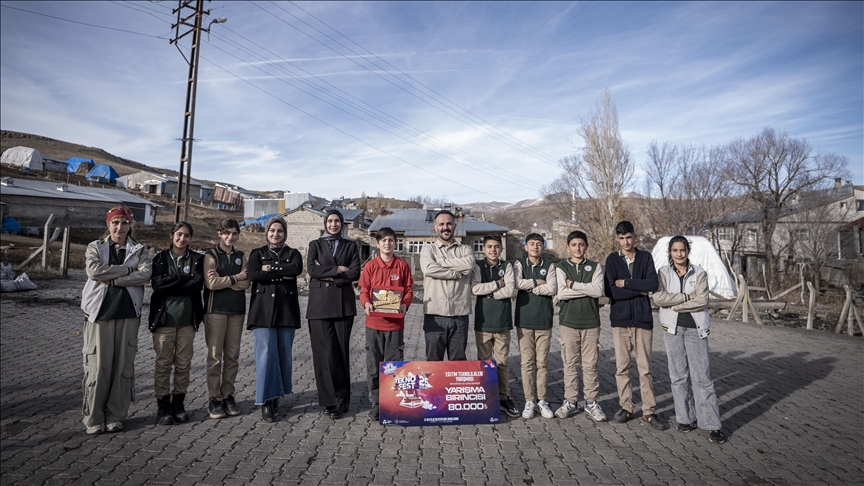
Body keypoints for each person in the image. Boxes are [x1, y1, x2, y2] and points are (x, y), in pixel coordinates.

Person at [80, 206, 152, 434]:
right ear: (108, 224)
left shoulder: (140, 250)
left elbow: (145, 274)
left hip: (128, 315)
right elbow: (93, 271)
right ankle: (94, 419)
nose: (120, 227)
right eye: (115, 222)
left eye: (124, 222)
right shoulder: (96, 247)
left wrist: (112, 280)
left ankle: (115, 415)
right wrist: (127, 272)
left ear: (131, 225)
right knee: (99, 367)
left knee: (122, 367)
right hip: (100, 315)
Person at [653, 236, 726, 444]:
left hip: (695, 329)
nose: (679, 254)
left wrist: (673, 304)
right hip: (673, 328)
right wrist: (685, 298)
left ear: (688, 251)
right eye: (675, 250)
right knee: (678, 376)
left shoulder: (700, 272)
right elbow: (658, 299)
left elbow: (702, 300)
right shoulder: (663, 273)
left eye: (682, 250)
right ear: (670, 251)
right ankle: (685, 418)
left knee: (702, 377)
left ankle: (712, 424)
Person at [603, 221, 667, 430]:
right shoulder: (612, 260)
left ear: (635, 237)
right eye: (621, 238)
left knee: (645, 368)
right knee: (622, 367)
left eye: (628, 237)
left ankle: (649, 411)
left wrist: (627, 283)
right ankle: (627, 407)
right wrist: (638, 289)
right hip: (620, 321)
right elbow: (611, 291)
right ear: (617, 239)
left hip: (642, 320)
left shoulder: (646, 257)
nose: (625, 241)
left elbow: (652, 284)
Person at [307, 209, 361, 419]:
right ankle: (328, 400)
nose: (333, 224)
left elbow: (355, 272)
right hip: (319, 306)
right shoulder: (315, 245)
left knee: (340, 352)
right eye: (330, 221)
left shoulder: (350, 245)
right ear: (325, 223)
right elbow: (312, 270)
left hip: (342, 305)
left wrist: (329, 276)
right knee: (323, 354)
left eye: (337, 221)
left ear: (342, 224)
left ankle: (342, 400)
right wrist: (339, 269)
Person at [149, 221, 205, 426]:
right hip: (164, 321)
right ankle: (163, 406)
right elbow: (157, 284)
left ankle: (178, 404)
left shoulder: (198, 259)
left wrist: (171, 281)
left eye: (187, 236)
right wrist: (184, 280)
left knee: (183, 365)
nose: (182, 239)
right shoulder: (161, 259)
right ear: (172, 235)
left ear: (191, 238)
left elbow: (197, 284)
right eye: (179, 234)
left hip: (187, 322)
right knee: (163, 364)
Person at [247, 217, 303, 422]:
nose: (275, 234)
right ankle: (266, 400)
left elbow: (295, 270)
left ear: (285, 233)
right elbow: (254, 275)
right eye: (272, 230)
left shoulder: (293, 253)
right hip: (262, 312)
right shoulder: (257, 253)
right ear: (267, 232)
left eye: (280, 231)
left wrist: (269, 269)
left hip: (286, 311)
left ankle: (278, 393)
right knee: (266, 355)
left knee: (283, 355)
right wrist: (281, 273)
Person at [358, 227, 414, 421]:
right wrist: (365, 303)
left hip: (395, 326)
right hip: (373, 324)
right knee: (373, 366)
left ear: (395, 243)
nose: (387, 243)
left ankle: (391, 402)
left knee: (393, 367)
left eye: (391, 240)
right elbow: (364, 290)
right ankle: (375, 402)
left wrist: (405, 305)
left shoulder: (402, 266)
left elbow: (408, 290)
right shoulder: (371, 266)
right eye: (384, 240)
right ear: (378, 244)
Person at [554, 230, 607, 422]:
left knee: (590, 365)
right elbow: (561, 294)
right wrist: (585, 289)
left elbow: (598, 291)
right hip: (568, 323)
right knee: (569, 364)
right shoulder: (561, 267)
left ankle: (591, 402)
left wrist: (573, 285)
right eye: (574, 244)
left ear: (586, 246)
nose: (578, 248)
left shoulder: (594, 267)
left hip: (591, 323)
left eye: (581, 244)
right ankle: (570, 401)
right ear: (568, 246)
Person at [202, 218, 251, 419]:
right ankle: (214, 398)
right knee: (215, 357)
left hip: (236, 311)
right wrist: (235, 278)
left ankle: (227, 395)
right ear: (219, 233)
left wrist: (228, 280)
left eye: (234, 233)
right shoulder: (210, 256)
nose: (231, 237)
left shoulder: (241, 255)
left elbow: (246, 283)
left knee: (232, 356)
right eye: (227, 233)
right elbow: (211, 284)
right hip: (216, 311)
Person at [471, 234, 520, 418]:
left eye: (496, 247)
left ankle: (504, 397)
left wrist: (490, 292)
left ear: (501, 249)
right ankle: (485, 396)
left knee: (502, 363)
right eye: (489, 246)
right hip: (483, 322)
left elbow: (510, 290)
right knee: (484, 364)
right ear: (483, 249)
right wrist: (497, 284)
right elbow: (475, 289)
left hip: (502, 322)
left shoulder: (506, 266)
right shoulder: (478, 266)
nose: (493, 250)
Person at [419, 210, 475, 361]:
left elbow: (469, 265)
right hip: (434, 315)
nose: (445, 227)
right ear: (435, 227)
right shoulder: (428, 249)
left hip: (459, 315)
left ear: (455, 225)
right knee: (433, 362)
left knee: (458, 363)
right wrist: (456, 273)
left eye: (449, 223)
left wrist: (441, 262)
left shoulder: (465, 249)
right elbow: (429, 268)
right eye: (441, 224)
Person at [514, 233, 557, 419]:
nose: (535, 247)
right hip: (524, 321)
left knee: (542, 363)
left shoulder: (550, 266)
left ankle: (542, 400)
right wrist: (536, 283)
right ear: (526, 247)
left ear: (543, 247)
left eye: (539, 244)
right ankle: (529, 400)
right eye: (532, 244)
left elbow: (552, 288)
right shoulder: (519, 265)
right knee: (527, 363)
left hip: (544, 321)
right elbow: (516, 283)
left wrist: (530, 288)